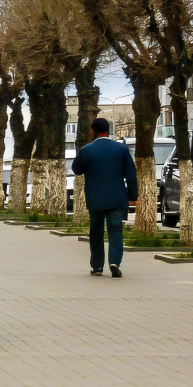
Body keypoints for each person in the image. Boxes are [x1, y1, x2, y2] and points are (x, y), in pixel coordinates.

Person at [71, 117, 138, 278]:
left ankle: (97, 267)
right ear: (109, 130)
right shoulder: (121, 149)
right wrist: (133, 195)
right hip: (117, 198)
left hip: (95, 199)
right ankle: (114, 262)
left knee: (96, 232)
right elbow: (131, 174)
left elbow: (76, 169)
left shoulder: (87, 150)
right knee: (115, 230)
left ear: (93, 132)